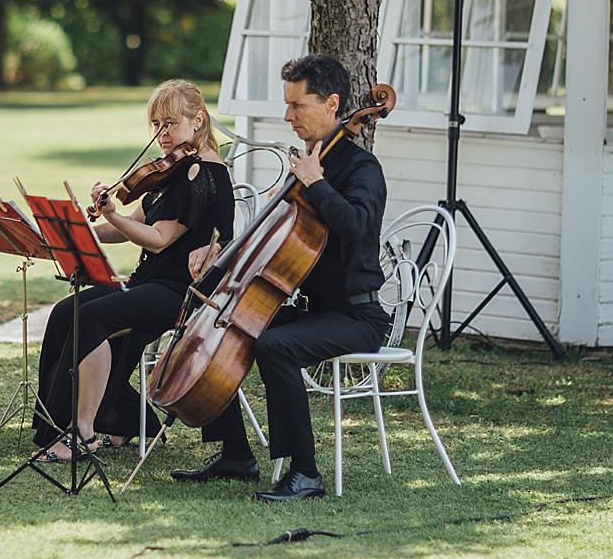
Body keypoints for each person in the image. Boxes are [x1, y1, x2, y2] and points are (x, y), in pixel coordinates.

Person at [169, 54, 389, 502]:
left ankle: (305, 473)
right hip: (316, 309)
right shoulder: (309, 160)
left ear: (332, 103)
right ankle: (235, 454)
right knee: (229, 320)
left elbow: (358, 227)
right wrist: (220, 254)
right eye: (286, 105)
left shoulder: (361, 169)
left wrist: (316, 184)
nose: (288, 116)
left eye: (297, 105)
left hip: (357, 316)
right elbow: (273, 237)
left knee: (275, 345)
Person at [30, 80, 233, 462]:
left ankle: (83, 432)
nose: (161, 134)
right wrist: (78, 231)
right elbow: (133, 223)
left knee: (91, 316)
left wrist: (113, 215)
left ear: (197, 120)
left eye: (170, 123)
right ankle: (116, 421)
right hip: (150, 283)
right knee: (63, 311)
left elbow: (157, 238)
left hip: (182, 293)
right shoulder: (173, 171)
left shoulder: (203, 174)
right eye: (156, 125)